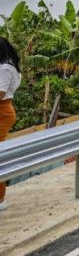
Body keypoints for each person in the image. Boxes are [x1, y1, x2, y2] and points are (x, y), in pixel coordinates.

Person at [0, 36, 22, 213]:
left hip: (2, 111)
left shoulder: (6, 68)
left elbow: (0, 93)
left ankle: (0, 198)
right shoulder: (7, 66)